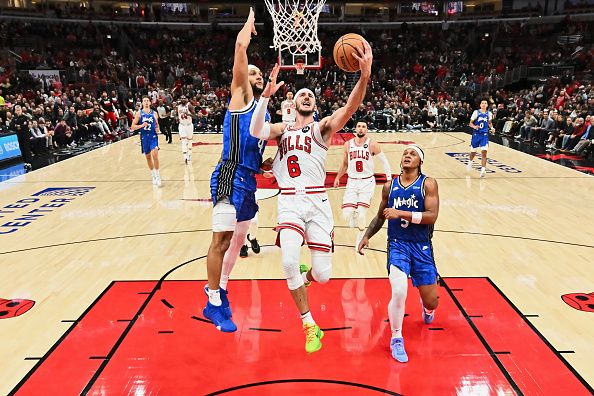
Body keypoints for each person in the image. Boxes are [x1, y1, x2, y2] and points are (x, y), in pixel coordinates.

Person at [249, 41, 373, 353]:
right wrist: (265, 96)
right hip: (289, 201)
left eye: (311, 95)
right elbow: (254, 130)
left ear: (314, 106)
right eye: (302, 94)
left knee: (324, 275)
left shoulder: (322, 129)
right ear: (293, 104)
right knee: (289, 261)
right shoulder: (282, 131)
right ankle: (309, 324)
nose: (306, 95)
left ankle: (309, 278)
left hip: (318, 203)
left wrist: (364, 76)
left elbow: (349, 109)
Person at [203, 8, 269, 333]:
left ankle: (222, 288)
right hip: (230, 174)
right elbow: (240, 51)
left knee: (238, 239)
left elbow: (258, 151)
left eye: (258, 74)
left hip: (249, 179)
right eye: (251, 73)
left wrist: (270, 164)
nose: (255, 76)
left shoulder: (263, 114)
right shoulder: (240, 97)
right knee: (221, 239)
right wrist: (248, 26)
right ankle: (212, 300)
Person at [357, 145, 440, 363]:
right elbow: (380, 215)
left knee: (432, 302)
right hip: (397, 244)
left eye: (412, 154)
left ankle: (427, 308)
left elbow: (432, 216)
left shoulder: (428, 183)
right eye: (405, 154)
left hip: (421, 246)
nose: (407, 156)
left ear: (420, 162)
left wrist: (400, 212)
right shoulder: (389, 186)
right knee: (400, 291)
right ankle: (396, 338)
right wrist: (367, 235)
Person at [333, 120, 392, 249]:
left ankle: (360, 240)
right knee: (346, 214)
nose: (361, 129)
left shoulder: (372, 144)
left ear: (367, 130)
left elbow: (385, 162)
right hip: (352, 181)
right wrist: (338, 177)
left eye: (363, 127)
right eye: (359, 126)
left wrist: (388, 179)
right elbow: (344, 164)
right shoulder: (348, 145)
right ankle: (353, 213)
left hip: (367, 181)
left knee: (362, 214)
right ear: (355, 129)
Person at [131, 96, 162, 187]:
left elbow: (156, 124)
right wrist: (141, 125)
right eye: (144, 101)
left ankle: (158, 175)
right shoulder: (139, 113)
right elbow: (132, 127)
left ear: (150, 102)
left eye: (147, 101)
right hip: (144, 137)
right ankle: (153, 175)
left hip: (153, 136)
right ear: (142, 103)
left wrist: (157, 128)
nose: (146, 102)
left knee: (155, 155)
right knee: (148, 157)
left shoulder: (154, 113)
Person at [467, 99, 493, 177]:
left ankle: (483, 170)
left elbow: (489, 123)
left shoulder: (489, 113)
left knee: (484, 152)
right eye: (482, 103)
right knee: (473, 152)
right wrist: (474, 126)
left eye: (485, 103)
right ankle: (470, 162)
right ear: (480, 105)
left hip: (484, 134)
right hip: (476, 134)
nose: (484, 104)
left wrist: (492, 128)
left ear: (487, 105)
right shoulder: (476, 112)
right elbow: (470, 123)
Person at [177, 96, 194, 163]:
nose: (183, 99)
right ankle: (185, 156)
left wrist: (189, 114)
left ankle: (189, 153)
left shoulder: (189, 106)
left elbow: (195, 116)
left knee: (189, 140)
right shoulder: (178, 107)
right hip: (182, 125)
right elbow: (177, 115)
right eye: (182, 98)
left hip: (189, 125)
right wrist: (176, 118)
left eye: (184, 98)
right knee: (183, 140)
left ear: (186, 99)